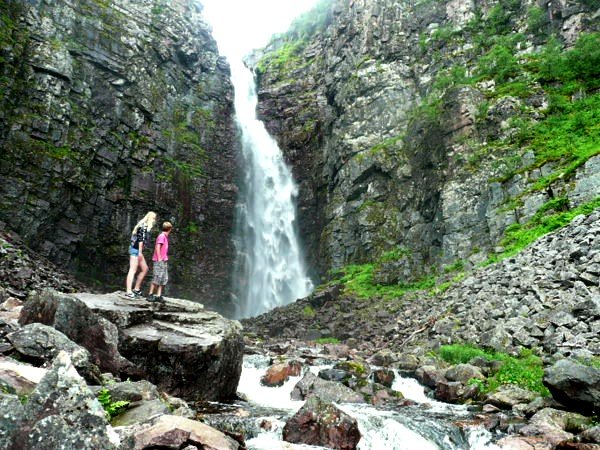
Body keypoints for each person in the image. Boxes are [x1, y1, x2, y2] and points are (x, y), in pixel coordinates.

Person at [125, 211, 156, 299]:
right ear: (150, 218)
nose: (154, 221)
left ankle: (136, 289)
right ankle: (128, 291)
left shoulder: (142, 225)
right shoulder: (144, 226)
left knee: (145, 269)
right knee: (132, 270)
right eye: (153, 218)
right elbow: (140, 240)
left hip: (136, 250)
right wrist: (139, 252)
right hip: (136, 250)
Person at [147, 221, 173, 302]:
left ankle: (158, 295)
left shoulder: (164, 237)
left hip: (164, 260)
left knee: (163, 278)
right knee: (157, 277)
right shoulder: (162, 236)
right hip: (160, 260)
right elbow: (157, 247)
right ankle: (150, 294)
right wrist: (159, 258)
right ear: (170, 229)